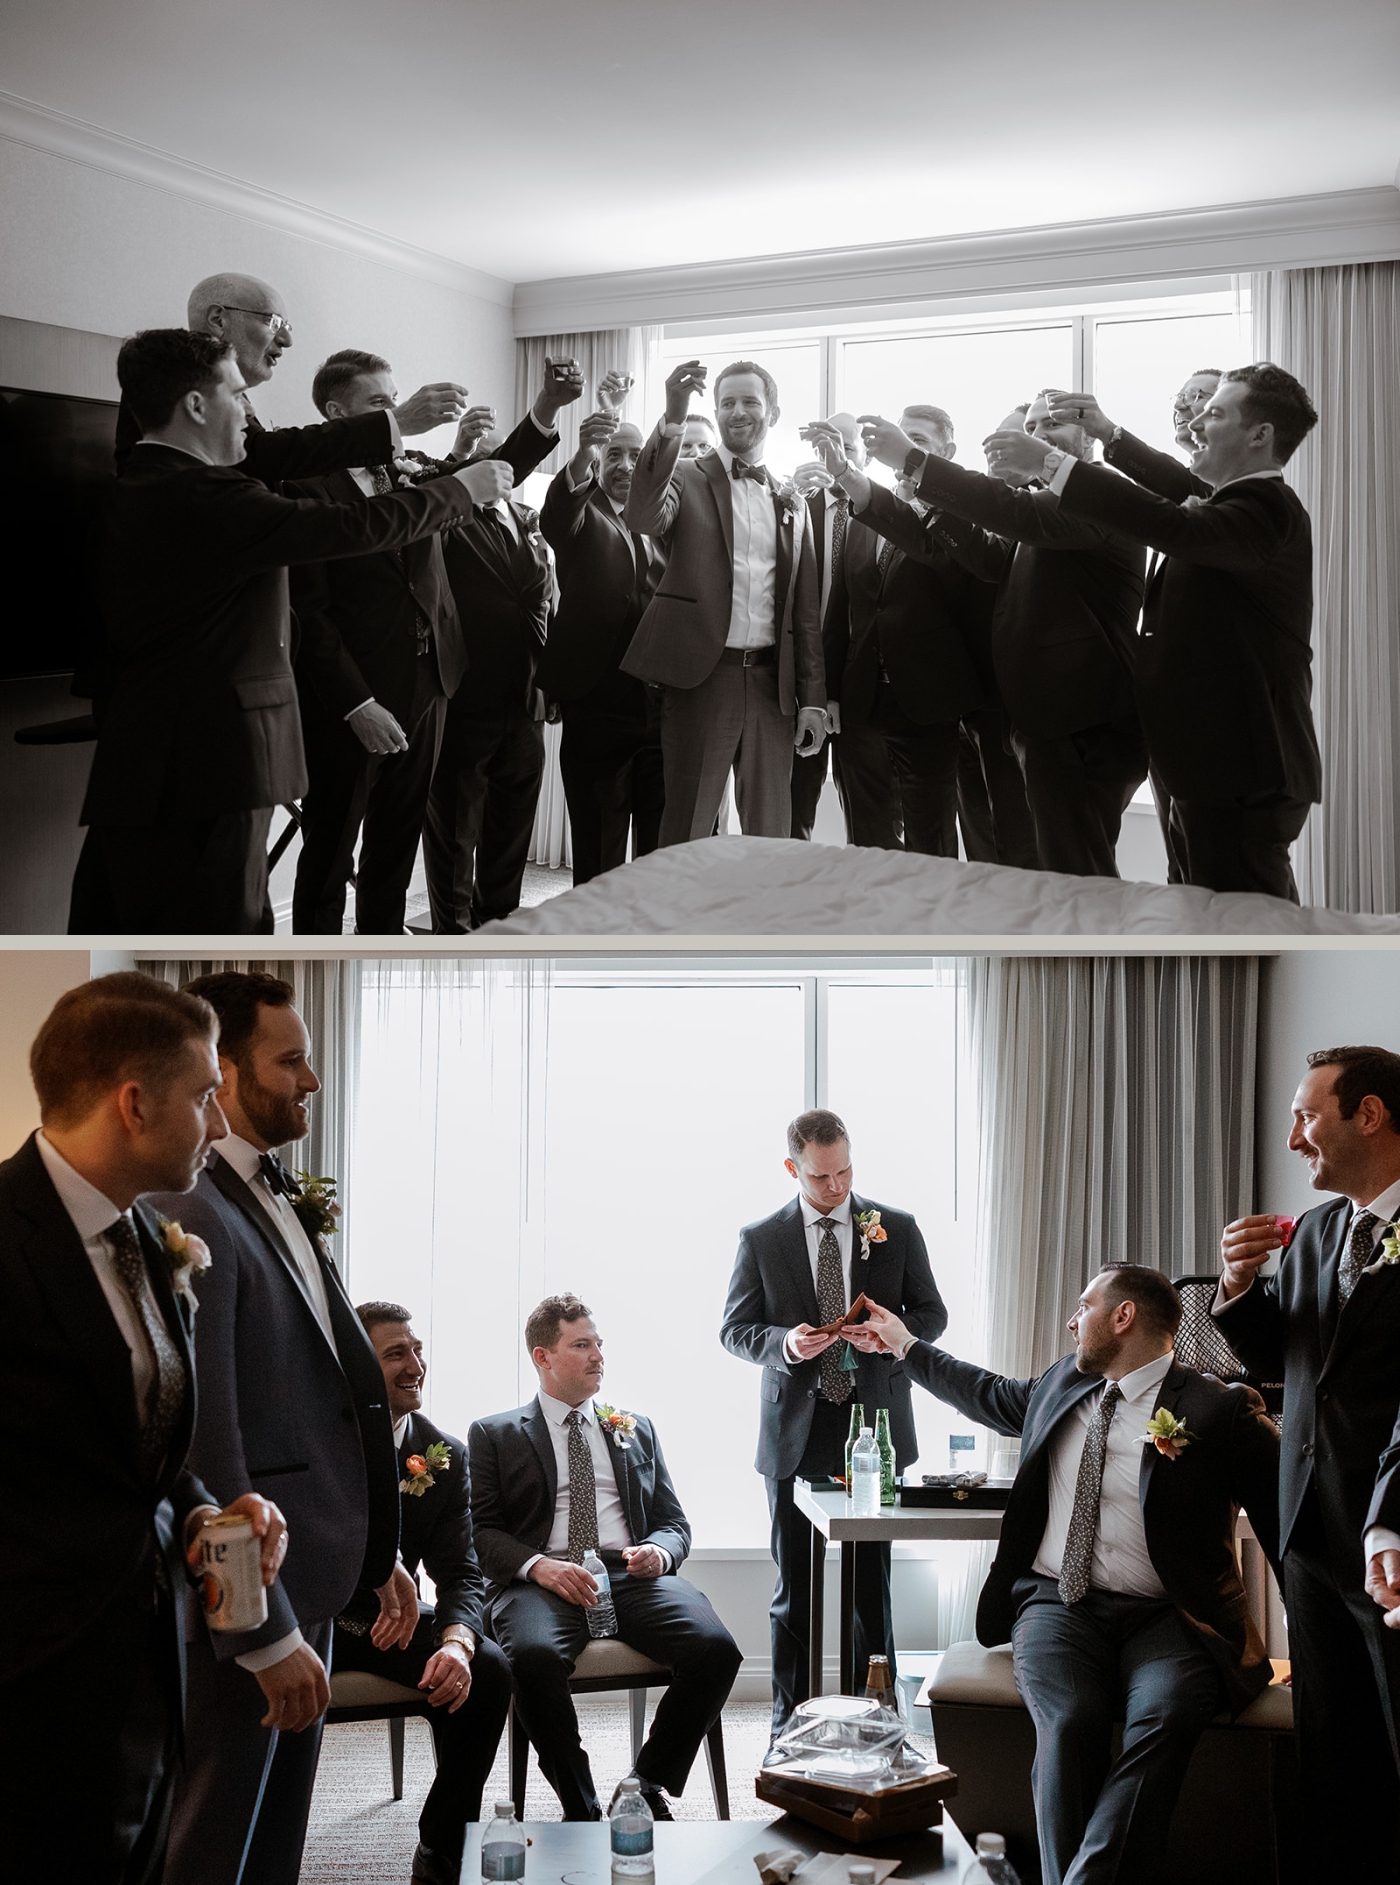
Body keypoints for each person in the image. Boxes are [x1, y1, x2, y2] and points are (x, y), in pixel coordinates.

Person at [0, 972, 288, 1884]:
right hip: (29, 1698)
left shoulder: (151, 1239)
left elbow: (137, 1455)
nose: (218, 1120)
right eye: (204, 1096)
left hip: (152, 1674)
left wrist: (203, 1511)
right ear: (133, 1103)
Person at [77, 329, 511, 934]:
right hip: (202, 769)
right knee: (214, 942)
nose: (250, 418)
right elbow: (347, 529)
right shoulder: (202, 496)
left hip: (163, 761)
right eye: (238, 396)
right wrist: (457, 490)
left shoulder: (147, 480)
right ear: (196, 406)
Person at [859, 1267, 1280, 1885]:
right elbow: (982, 1391)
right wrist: (903, 1343)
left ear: (1123, 1317)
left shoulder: (1219, 1409)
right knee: (1068, 1721)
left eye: (1085, 1306)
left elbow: (1288, 1519)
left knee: (1165, 1715)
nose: (1071, 1320)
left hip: (1171, 1618)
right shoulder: (1063, 1382)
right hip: (1059, 1605)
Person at [145, 971, 409, 1885]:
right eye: (289, 1059)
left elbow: (324, 1388)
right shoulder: (194, 1206)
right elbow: (206, 1437)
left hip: (312, 1565)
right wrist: (259, 1630)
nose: (311, 1079)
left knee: (273, 1845)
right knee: (214, 1844)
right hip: (253, 1596)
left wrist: (375, 1552)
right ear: (223, 1068)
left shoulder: (269, 1186)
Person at [985, 365, 1320, 900]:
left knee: (1242, 925)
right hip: (1201, 760)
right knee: (1199, 911)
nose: (1195, 423)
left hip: (1240, 765)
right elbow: (1178, 492)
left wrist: (1051, 463)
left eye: (1214, 413)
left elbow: (1172, 522)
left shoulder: (1268, 508)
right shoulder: (1227, 505)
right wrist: (1107, 433)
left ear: (1260, 435)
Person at [1215, 1045, 1400, 1875]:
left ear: (1370, 1114)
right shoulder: (1320, 1230)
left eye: (1307, 1116)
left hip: (1390, 1537)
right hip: (1308, 1531)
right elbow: (1283, 1364)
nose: (1294, 1138)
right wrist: (1237, 1285)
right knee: (1329, 1749)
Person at [843, 396, 1147, 877]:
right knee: (1045, 868)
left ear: (1087, 437)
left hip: (1084, 722)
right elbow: (980, 554)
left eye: (1051, 425)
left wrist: (915, 460)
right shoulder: (1042, 508)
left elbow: (1007, 511)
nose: (1036, 435)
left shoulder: (1099, 492)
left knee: (1075, 875)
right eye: (1031, 427)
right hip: (1043, 722)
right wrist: (867, 488)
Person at [720, 1109, 948, 1741]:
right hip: (795, 1430)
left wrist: (893, 1335)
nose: (837, 1186)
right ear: (792, 1168)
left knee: (872, 1587)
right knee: (795, 1588)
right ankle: (788, 1724)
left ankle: (876, 1719)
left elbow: (932, 1313)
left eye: (845, 1171)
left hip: (875, 1427)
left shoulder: (896, 1228)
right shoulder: (760, 1239)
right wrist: (785, 1344)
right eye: (821, 1176)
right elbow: (734, 1330)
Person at [469, 1294, 741, 1821]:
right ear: (543, 1357)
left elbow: (673, 1521)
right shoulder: (494, 1434)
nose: (598, 1356)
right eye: (581, 1345)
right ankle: (583, 1809)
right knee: (532, 1659)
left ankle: (644, 1785)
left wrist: (659, 1551)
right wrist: (539, 1567)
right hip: (540, 1581)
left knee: (716, 1650)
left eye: (599, 1344)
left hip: (630, 1575)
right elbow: (482, 1534)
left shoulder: (635, 1426)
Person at [286, 349, 482, 935]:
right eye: (380, 403)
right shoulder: (302, 488)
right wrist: (357, 703)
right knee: (329, 850)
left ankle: (380, 949)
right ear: (336, 413)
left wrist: (545, 412)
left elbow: (486, 480)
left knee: (396, 845)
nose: (396, 412)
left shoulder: (408, 471)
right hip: (352, 698)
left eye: (394, 400)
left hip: (430, 682)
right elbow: (307, 614)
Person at [336, 1304, 512, 1885]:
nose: (415, 1365)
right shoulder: (318, 1437)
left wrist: (458, 1643)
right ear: (357, 1366)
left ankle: (441, 1847)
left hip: (398, 1621)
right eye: (396, 1354)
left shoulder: (442, 1454)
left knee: (488, 1669)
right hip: (315, 1619)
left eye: (417, 1350)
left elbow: (461, 1572)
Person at [621, 358, 827, 843]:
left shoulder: (792, 499)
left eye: (750, 401)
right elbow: (643, 515)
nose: (738, 411)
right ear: (715, 411)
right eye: (727, 402)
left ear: (772, 413)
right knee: (687, 832)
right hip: (702, 680)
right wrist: (674, 415)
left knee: (769, 836)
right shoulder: (685, 476)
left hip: (773, 689)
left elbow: (805, 611)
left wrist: (813, 700)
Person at [423, 356, 586, 930]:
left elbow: (544, 603)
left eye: (505, 460)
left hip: (526, 699)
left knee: (512, 823)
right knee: (455, 828)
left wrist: (550, 682)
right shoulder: (447, 520)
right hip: (464, 698)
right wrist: (457, 460)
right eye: (486, 459)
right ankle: (451, 931)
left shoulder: (528, 518)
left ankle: (498, 919)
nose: (500, 470)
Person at [816, 405, 992, 856]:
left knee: (930, 844)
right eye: (901, 441)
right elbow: (842, 609)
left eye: (918, 444)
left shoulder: (966, 522)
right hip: (859, 705)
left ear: (946, 453)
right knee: (867, 840)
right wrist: (831, 691)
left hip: (928, 707)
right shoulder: (862, 512)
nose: (902, 453)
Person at [112, 272, 469, 480]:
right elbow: (259, 456)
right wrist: (397, 421)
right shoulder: (168, 376)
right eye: (274, 322)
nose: (287, 340)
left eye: (288, 326)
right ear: (218, 319)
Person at [539, 401, 665, 884]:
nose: (626, 465)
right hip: (597, 710)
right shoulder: (580, 514)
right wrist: (585, 451)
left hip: (661, 713)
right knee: (598, 854)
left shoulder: (664, 520)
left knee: (658, 853)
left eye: (636, 455)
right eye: (615, 455)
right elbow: (557, 516)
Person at [788, 412, 882, 844]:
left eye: (847, 447)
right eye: (827, 447)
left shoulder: (883, 514)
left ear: (866, 457)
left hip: (863, 695)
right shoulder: (795, 507)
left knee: (871, 825)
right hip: (798, 689)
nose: (836, 456)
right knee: (792, 818)